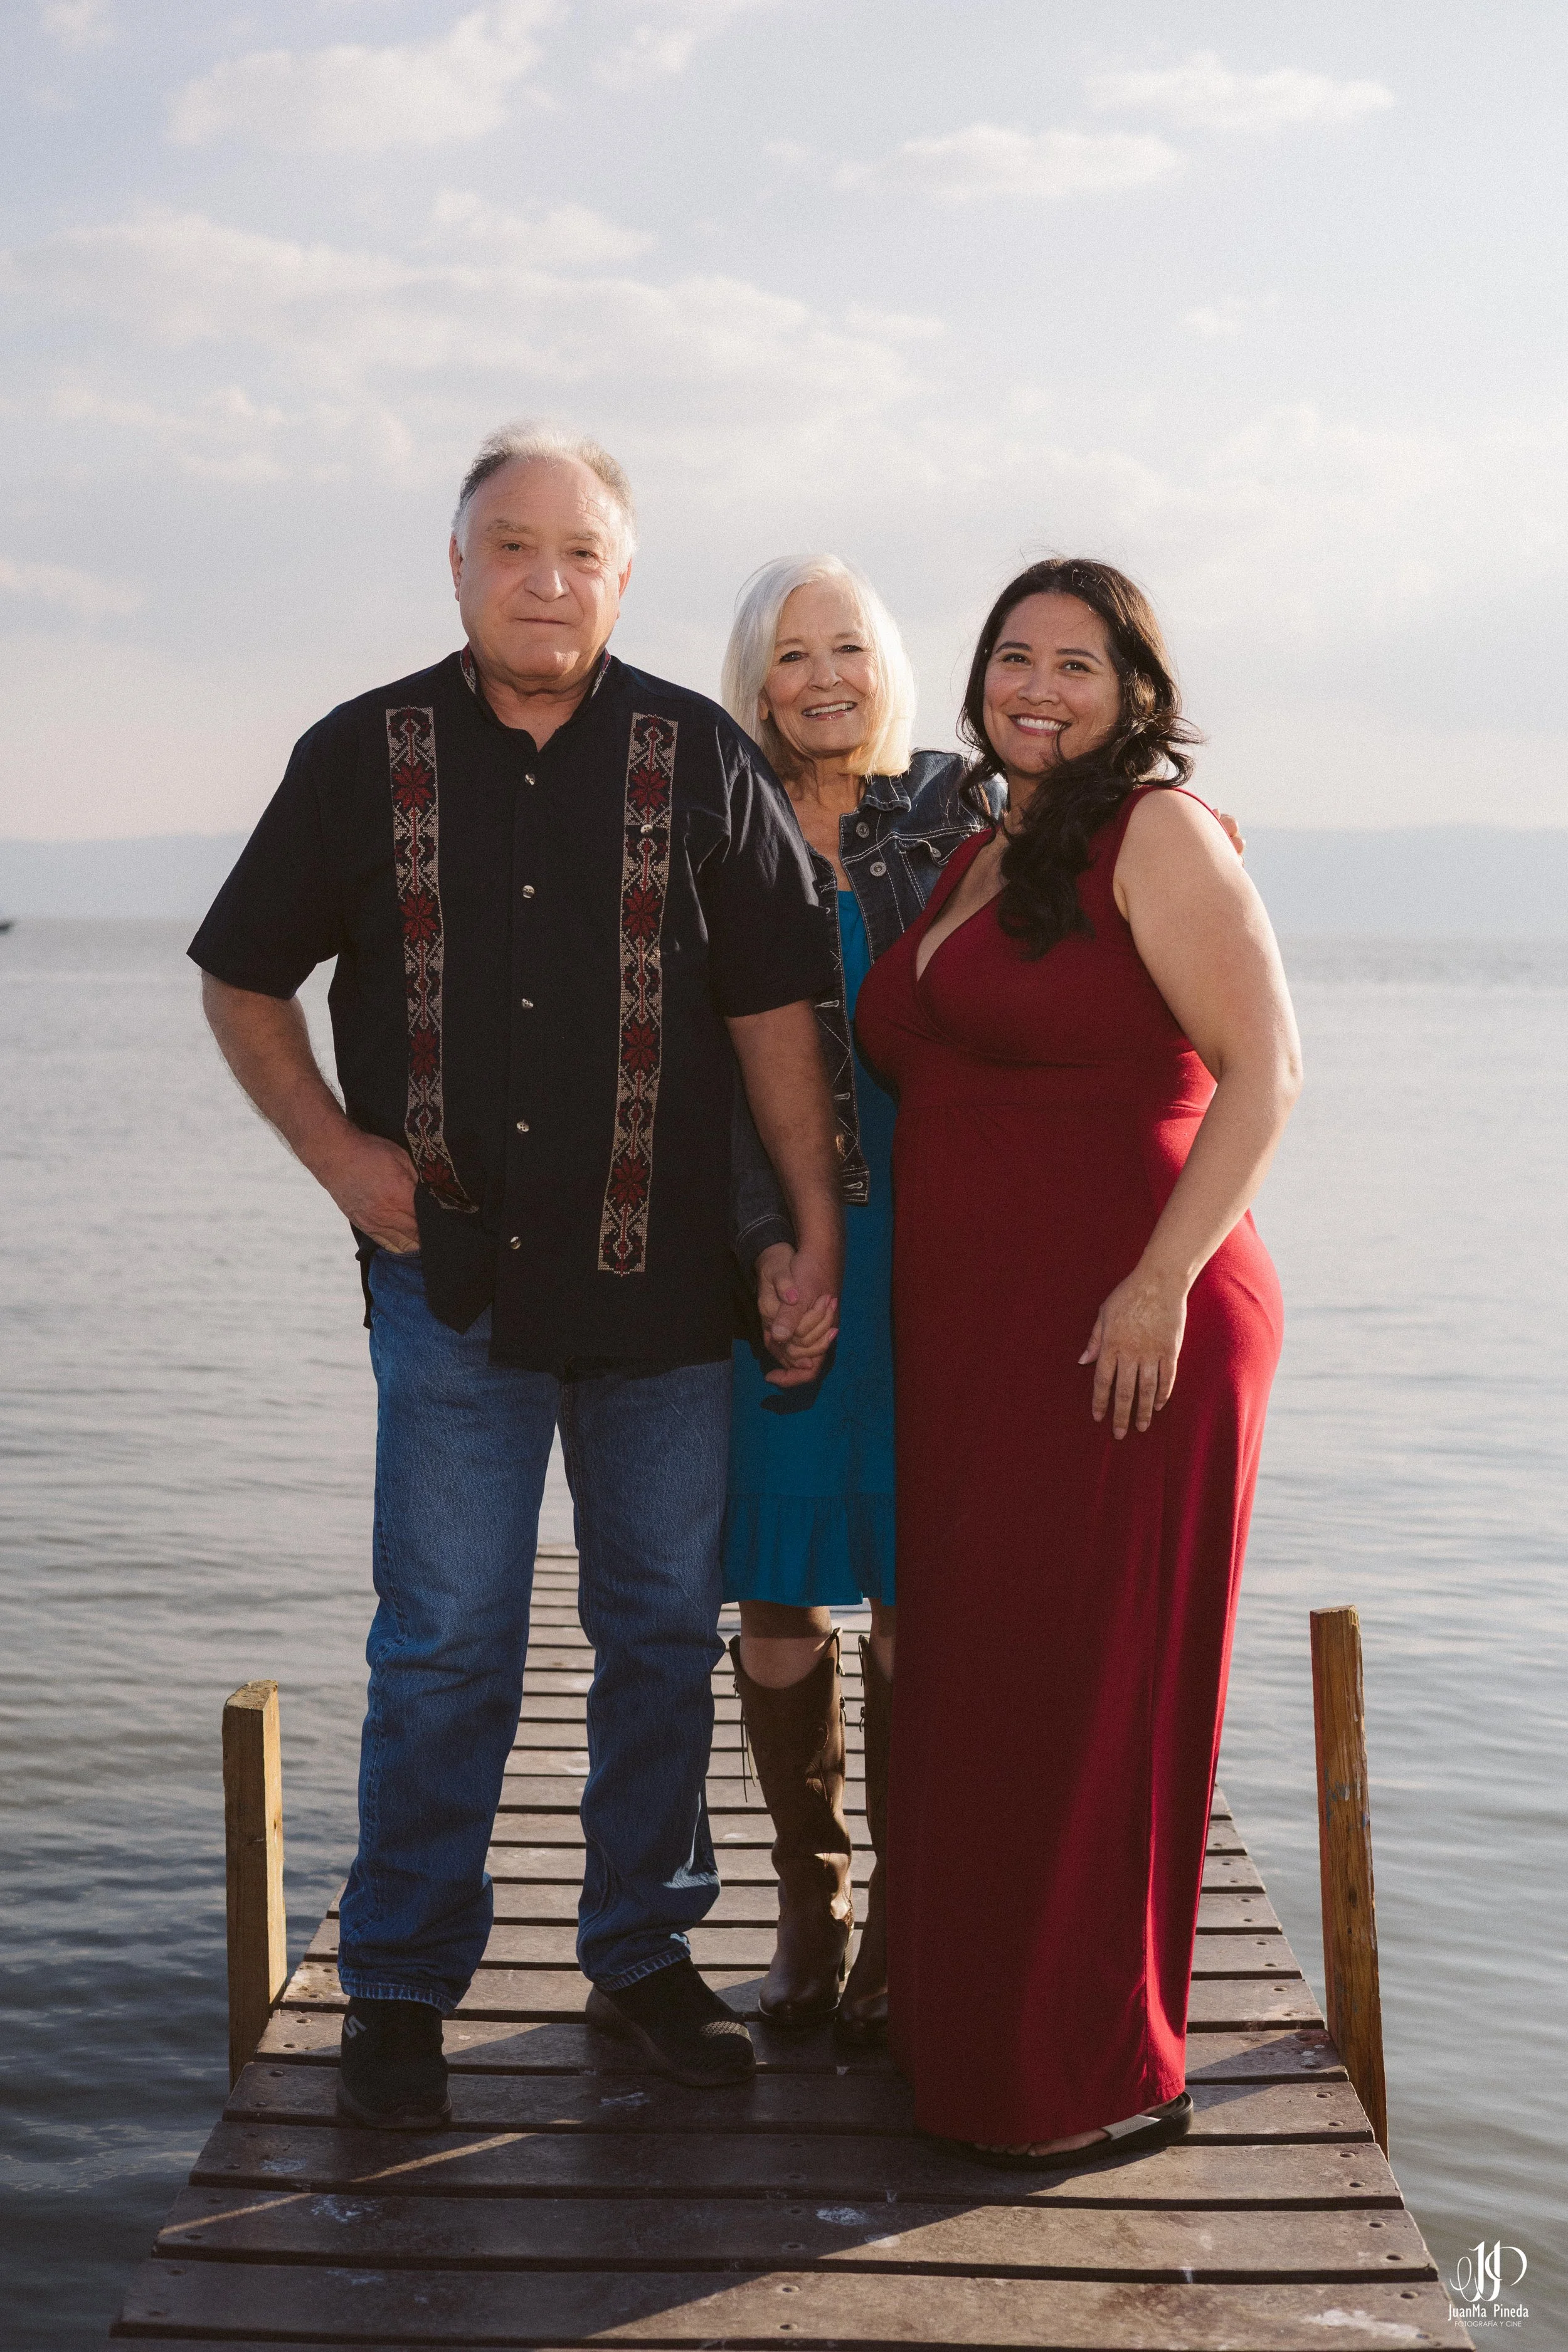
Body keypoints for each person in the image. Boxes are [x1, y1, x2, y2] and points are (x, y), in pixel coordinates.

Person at [189, 425, 844, 2122]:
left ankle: (640, 1950)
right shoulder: (360, 754)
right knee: (446, 1641)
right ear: (459, 563)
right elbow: (243, 978)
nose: (544, 579)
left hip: (666, 1290)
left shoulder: (701, 758)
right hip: (451, 1283)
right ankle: (402, 1982)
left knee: (658, 1630)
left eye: (579, 552)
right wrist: (341, 1158)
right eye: (510, 546)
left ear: (623, 575)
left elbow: (774, 1008)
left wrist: (813, 1225)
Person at [854, 557, 1301, 2161]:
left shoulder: (1157, 833)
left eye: (1075, 665)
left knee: (1086, 1695)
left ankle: (1083, 2075)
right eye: (1012, 657)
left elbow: (1265, 1070)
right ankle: (965, 2041)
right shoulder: (981, 847)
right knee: (982, 1682)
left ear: (1132, 695)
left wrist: (1157, 1282)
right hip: (980, 1343)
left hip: (1130, 1327)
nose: (1035, 689)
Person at [718, 554, 999, 2042]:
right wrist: (763, 1241)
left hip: (933, 1236)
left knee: (907, 1580)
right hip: (770, 1237)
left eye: (845, 647)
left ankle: (905, 1905)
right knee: (773, 1577)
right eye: (789, 654)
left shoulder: (957, 810)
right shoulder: (715, 822)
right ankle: (807, 1897)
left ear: (884, 665)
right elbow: (701, 1067)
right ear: (753, 681)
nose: (821, 676)